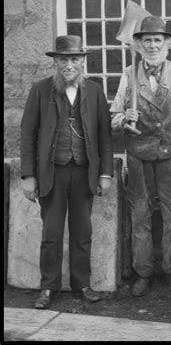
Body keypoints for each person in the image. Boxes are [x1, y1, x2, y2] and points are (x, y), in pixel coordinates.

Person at [20, 35, 114, 309]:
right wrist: (28, 176)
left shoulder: (95, 91)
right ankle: (48, 287)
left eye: (74, 59)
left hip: (84, 173)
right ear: (55, 63)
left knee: (82, 231)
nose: (68, 65)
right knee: (51, 233)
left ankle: (81, 284)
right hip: (52, 173)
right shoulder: (40, 90)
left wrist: (105, 173)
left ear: (82, 61)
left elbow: (105, 136)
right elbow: (27, 135)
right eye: (63, 60)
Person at [110, 15, 171, 295]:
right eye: (146, 40)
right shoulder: (128, 74)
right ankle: (143, 272)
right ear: (138, 44)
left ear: (167, 43)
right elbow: (112, 118)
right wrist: (125, 118)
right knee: (140, 214)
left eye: (157, 40)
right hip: (138, 155)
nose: (151, 46)